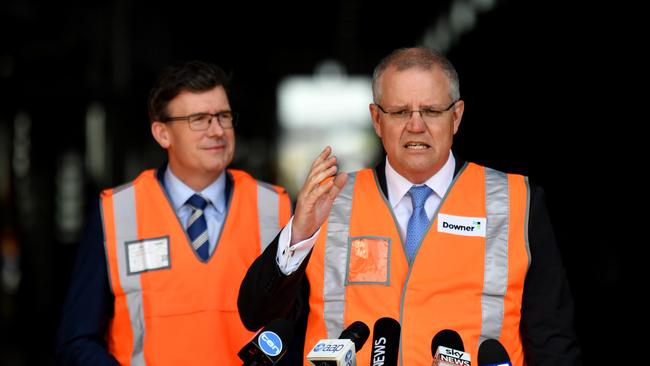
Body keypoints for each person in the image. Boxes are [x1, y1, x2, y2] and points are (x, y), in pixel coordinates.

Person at [238, 47, 582, 365]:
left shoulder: (517, 200)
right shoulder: (328, 202)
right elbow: (257, 316)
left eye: (431, 111)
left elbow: (552, 341)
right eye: (400, 111)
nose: (416, 125)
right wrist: (300, 231)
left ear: (457, 116)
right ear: (376, 119)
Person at [56, 61, 292, 365]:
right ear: (162, 133)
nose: (217, 130)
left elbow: (300, 325)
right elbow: (77, 339)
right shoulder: (116, 213)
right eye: (199, 119)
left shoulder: (276, 208)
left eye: (223, 116)